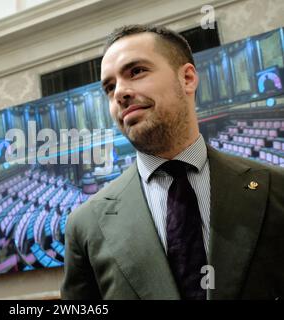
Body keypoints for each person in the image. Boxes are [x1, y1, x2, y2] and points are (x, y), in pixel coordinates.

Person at [61, 24, 284, 300]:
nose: (119, 93)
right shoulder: (85, 225)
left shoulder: (275, 189)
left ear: (188, 78)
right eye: (109, 87)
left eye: (136, 71)